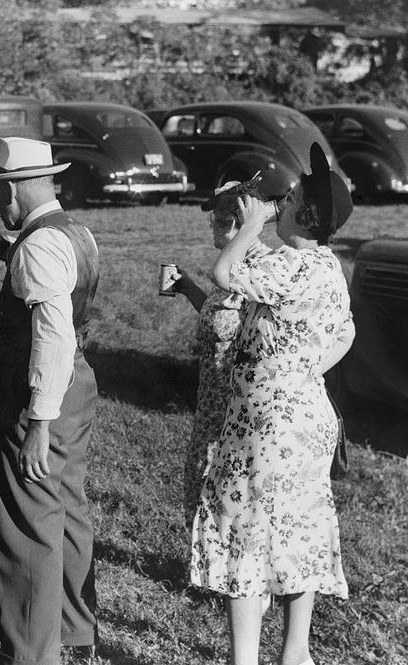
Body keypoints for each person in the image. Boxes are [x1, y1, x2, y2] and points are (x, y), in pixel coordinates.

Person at [190, 143, 356, 665]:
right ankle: (296, 653)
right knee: (297, 528)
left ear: (305, 215)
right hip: (304, 416)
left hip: (265, 425)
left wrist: (249, 226)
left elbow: (223, 274)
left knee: (246, 530)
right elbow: (344, 333)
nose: (279, 203)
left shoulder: (295, 265)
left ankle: (244, 660)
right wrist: (298, 372)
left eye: (289, 200)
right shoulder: (325, 267)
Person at [0, 137, 100, 665]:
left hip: (39, 390)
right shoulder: (73, 231)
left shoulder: (38, 246)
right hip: (75, 384)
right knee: (68, 509)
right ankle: (75, 631)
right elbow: (54, 288)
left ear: (14, 186)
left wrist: (37, 422)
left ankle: (31, 653)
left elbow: (50, 334)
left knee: (27, 521)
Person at [169, 179, 271, 526]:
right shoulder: (233, 262)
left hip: (237, 407)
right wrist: (189, 289)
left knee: (228, 489)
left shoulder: (259, 269)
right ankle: (205, 570)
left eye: (216, 219)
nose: (210, 225)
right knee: (204, 479)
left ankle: (224, 573)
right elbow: (222, 321)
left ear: (234, 223)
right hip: (212, 400)